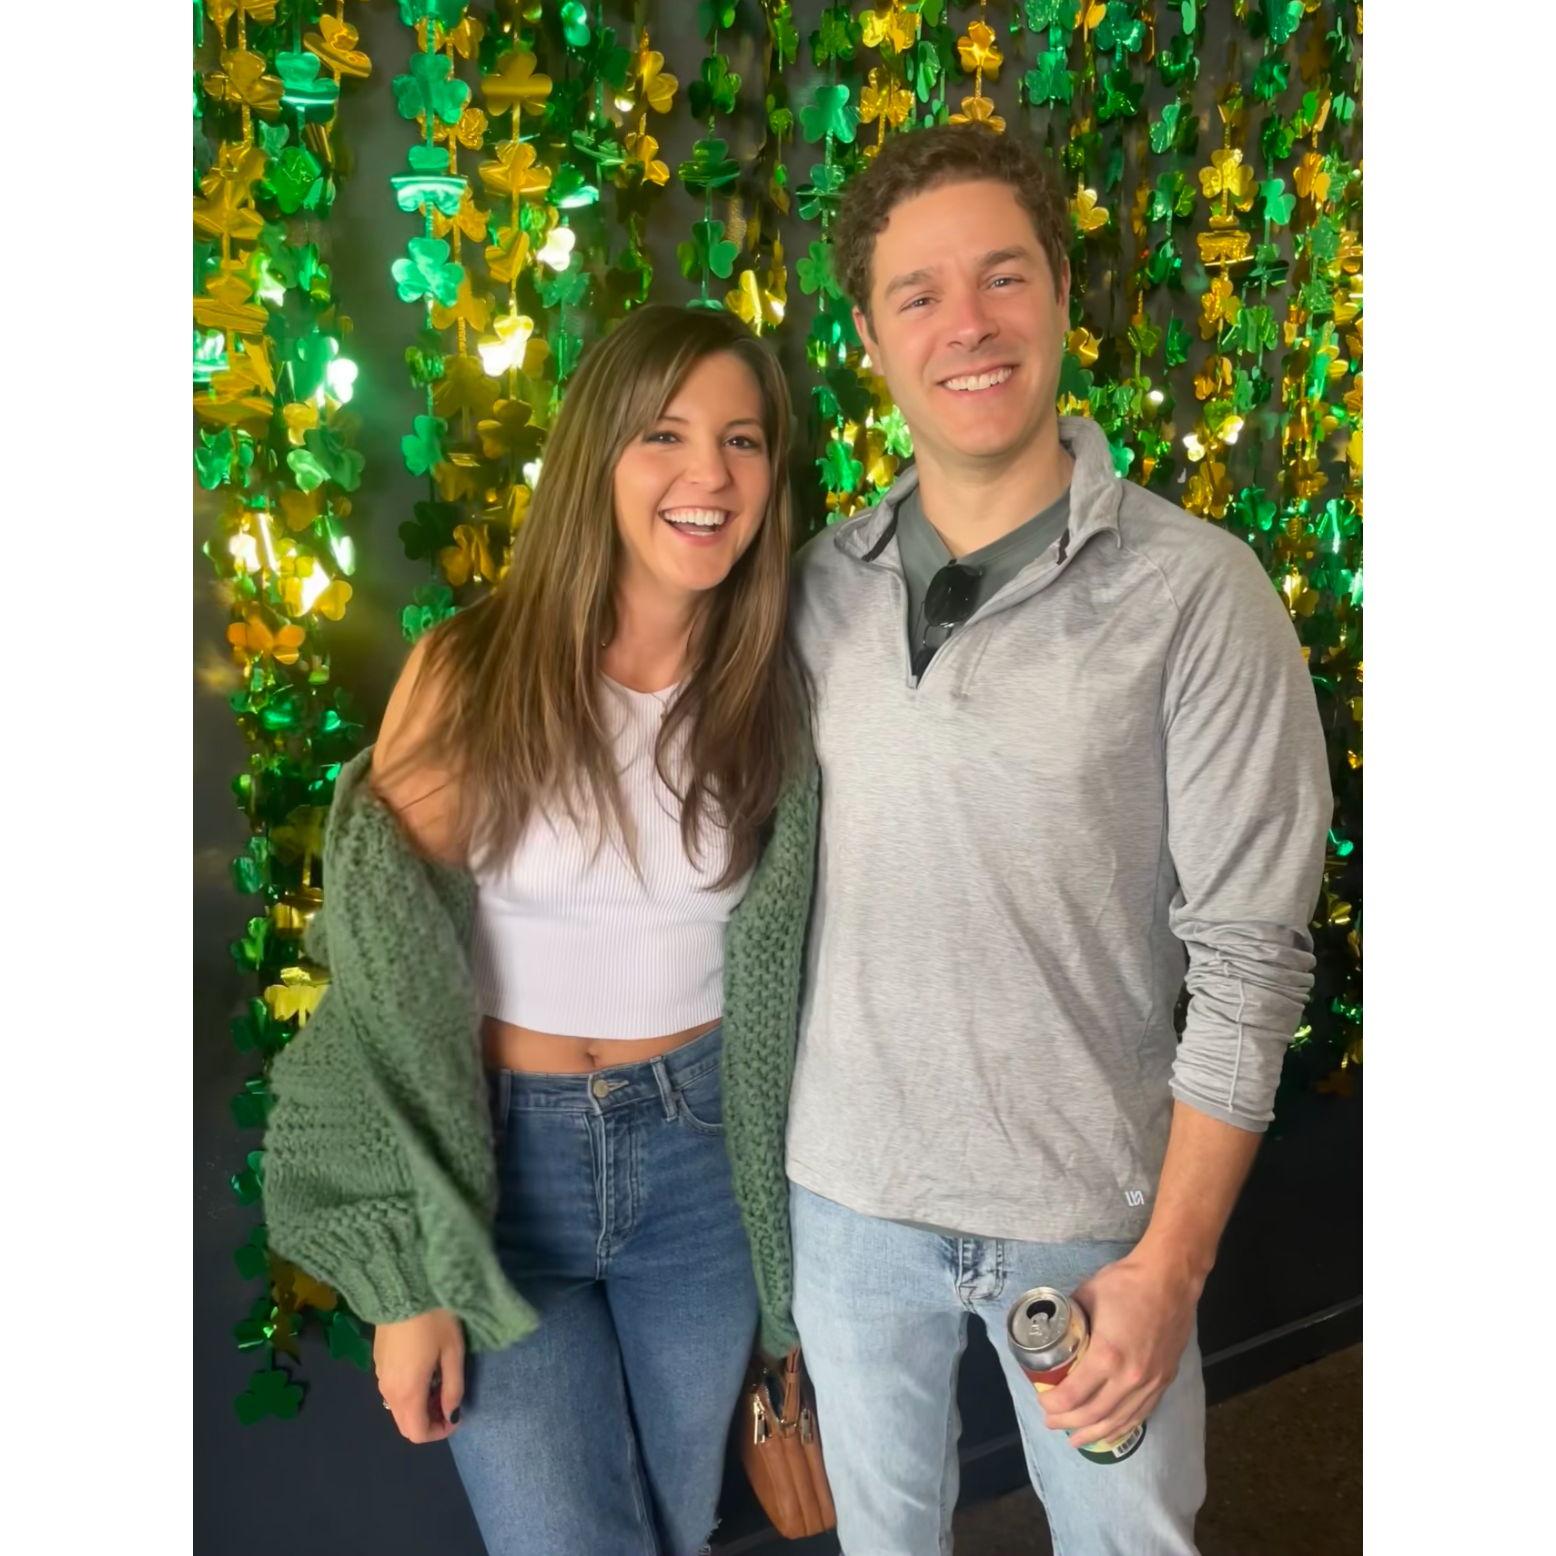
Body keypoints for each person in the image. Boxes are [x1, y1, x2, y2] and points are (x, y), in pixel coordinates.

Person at [785, 123, 1332, 1555]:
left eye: (1002, 276)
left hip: (1089, 1218)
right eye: (918, 293)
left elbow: (1252, 956)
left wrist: (1172, 1265)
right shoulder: (812, 588)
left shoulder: (1197, 593)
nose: (966, 323)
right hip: (845, 1207)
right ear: (870, 337)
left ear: (1061, 297)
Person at [261, 303, 818, 1556]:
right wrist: (406, 1275)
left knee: (674, 1524)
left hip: (702, 1164)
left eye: (740, 440)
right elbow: (382, 974)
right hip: (505, 1170)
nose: (707, 473)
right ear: (596, 458)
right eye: (663, 434)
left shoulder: (772, 687)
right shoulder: (476, 670)